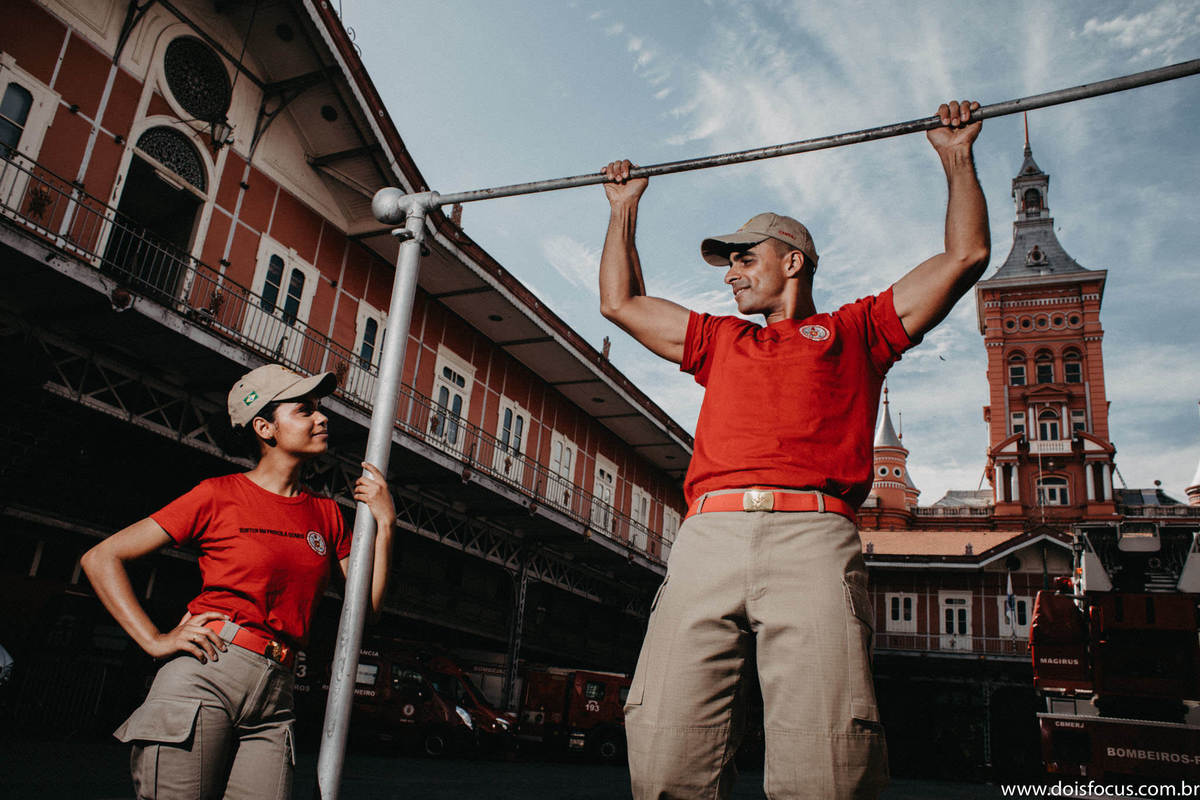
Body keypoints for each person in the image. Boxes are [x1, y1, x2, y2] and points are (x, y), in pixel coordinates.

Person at [599, 100, 989, 799]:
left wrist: (956, 156)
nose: (731, 274)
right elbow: (621, 302)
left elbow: (965, 258)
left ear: (793, 261)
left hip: (812, 540)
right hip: (708, 539)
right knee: (662, 757)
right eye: (729, 263)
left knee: (826, 769)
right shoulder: (720, 340)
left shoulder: (855, 330)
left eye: (744, 258)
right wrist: (623, 208)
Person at [81, 364, 396, 800]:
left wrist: (386, 523)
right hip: (208, 672)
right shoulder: (218, 494)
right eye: (305, 410)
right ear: (265, 427)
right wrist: (154, 639)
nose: (322, 419)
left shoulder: (327, 515)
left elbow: (367, 611)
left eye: (320, 410)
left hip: (277, 694)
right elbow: (102, 557)